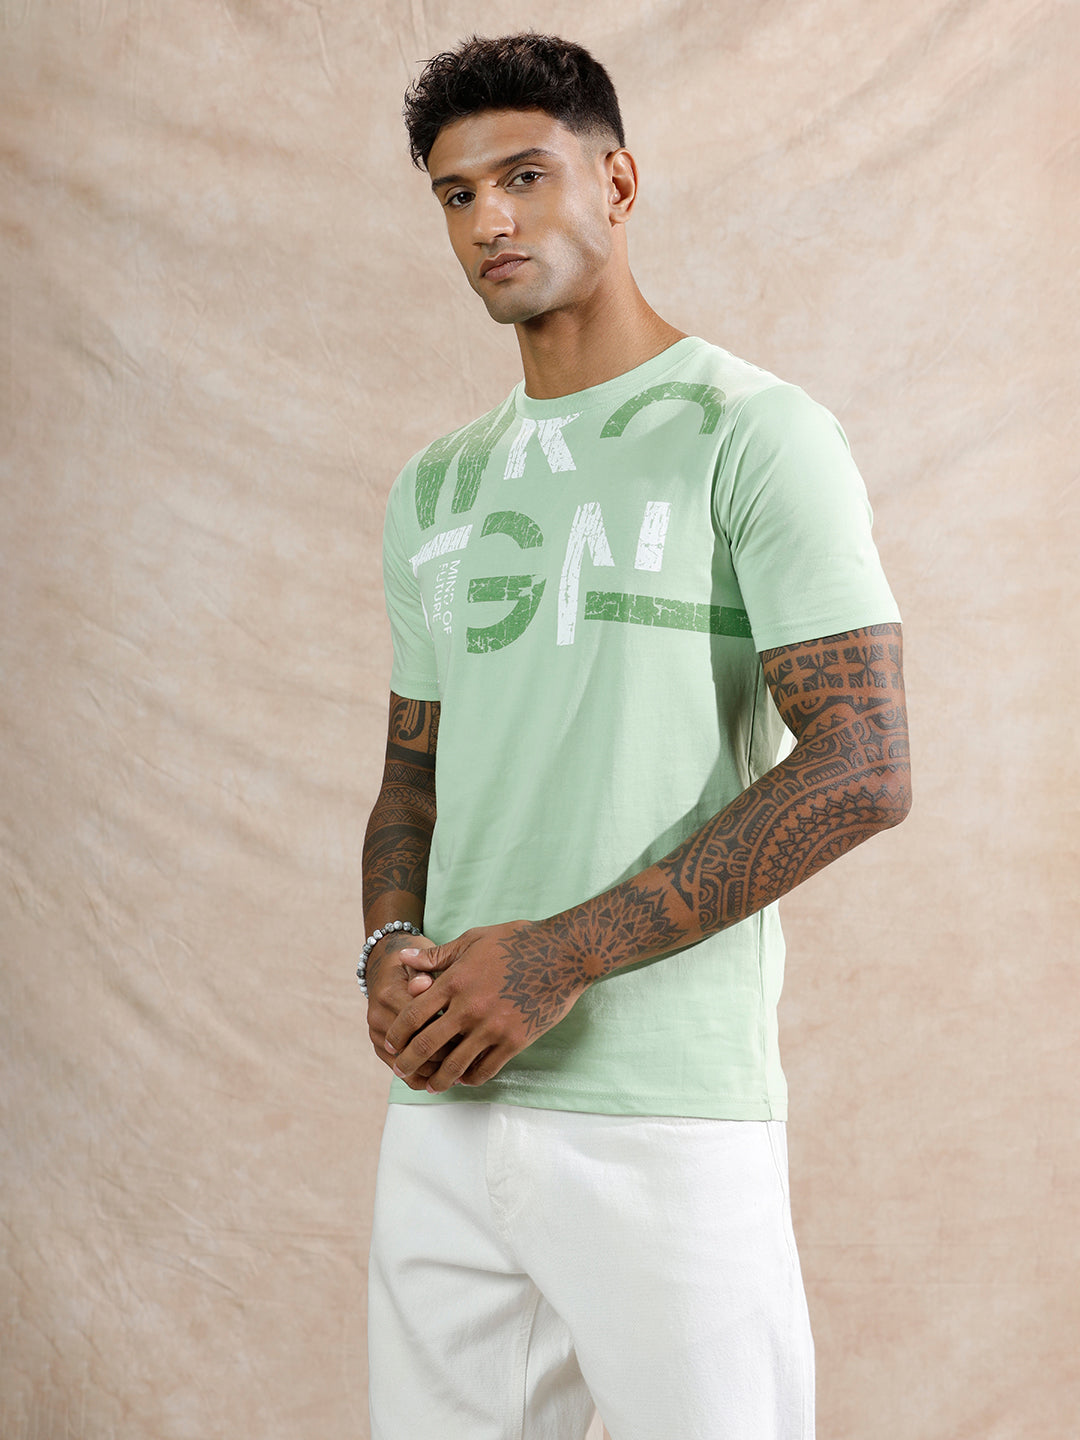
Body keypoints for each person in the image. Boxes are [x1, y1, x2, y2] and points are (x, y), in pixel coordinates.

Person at [359, 32, 911, 1440]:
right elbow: (411, 775)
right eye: (457, 195)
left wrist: (561, 955)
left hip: (664, 1110)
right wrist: (388, 952)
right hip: (449, 1107)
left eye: (525, 177)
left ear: (616, 182)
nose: (490, 220)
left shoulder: (752, 432)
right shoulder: (438, 485)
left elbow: (864, 764)